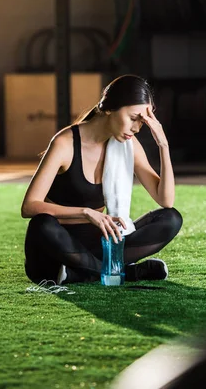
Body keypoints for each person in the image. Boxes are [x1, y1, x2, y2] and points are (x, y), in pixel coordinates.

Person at [20, 74, 183, 284]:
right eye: (133, 118)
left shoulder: (128, 145)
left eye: (142, 121)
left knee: (170, 218)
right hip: (56, 246)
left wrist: (164, 145)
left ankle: (84, 273)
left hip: (98, 245)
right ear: (109, 108)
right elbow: (29, 207)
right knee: (41, 225)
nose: (137, 128)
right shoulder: (65, 143)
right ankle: (125, 272)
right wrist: (87, 213)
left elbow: (165, 200)